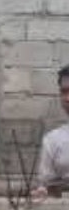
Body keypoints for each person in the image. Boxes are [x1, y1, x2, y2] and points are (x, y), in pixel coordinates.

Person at [34, 65, 69, 200]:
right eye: (64, 92)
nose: (67, 98)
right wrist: (43, 192)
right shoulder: (53, 140)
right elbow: (47, 186)